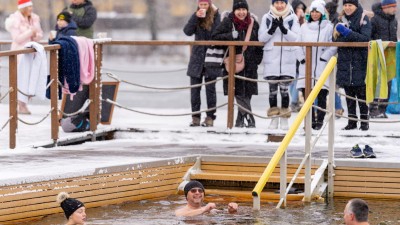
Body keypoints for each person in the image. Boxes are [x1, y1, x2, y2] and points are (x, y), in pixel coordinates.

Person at [212, 0, 263, 128]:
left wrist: (257, 59)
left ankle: (239, 120)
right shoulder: (228, 21)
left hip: (250, 64)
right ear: (234, 11)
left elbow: (259, 42)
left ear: (247, 10)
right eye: (238, 9)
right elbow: (215, 37)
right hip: (234, 63)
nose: (241, 12)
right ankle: (250, 119)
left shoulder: (253, 23)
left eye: (243, 9)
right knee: (238, 93)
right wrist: (231, 36)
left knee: (248, 93)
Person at [259, 0, 300, 130]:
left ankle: (284, 118)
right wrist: (271, 30)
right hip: (272, 59)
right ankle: (273, 118)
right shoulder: (267, 17)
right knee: (272, 92)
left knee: (284, 91)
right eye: (277, 2)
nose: (279, 5)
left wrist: (284, 29)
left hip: (287, 59)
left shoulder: (293, 18)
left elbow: (296, 38)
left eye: (282, 2)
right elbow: (261, 38)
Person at [296, 0, 337, 130]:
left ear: (322, 13)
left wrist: (323, 57)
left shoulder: (329, 27)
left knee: (321, 95)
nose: (314, 14)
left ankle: (319, 121)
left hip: (321, 65)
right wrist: (302, 58)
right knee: (306, 94)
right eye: (312, 11)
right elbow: (298, 44)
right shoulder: (303, 27)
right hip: (306, 65)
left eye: (317, 12)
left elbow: (333, 45)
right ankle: (308, 121)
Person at [334, 0, 371, 131]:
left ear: (356, 6)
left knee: (362, 95)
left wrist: (347, 33)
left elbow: (365, 38)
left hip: (359, 61)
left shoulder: (363, 18)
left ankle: (364, 122)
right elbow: (335, 39)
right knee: (349, 95)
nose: (347, 7)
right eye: (345, 5)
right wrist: (347, 35)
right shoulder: (339, 19)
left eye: (350, 5)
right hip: (345, 62)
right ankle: (352, 122)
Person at [183, 0, 221, 127]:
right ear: (198, 5)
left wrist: (216, 14)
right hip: (197, 58)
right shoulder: (196, 16)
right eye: (201, 4)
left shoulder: (216, 16)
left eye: (206, 4)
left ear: (210, 5)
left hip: (211, 57)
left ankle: (210, 117)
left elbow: (217, 34)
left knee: (210, 90)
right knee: (195, 90)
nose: (203, 7)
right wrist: (195, 17)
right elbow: (187, 31)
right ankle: (195, 117)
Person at [4, 0, 43, 114]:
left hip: (31, 53)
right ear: (23, 7)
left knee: (30, 79)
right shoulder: (14, 20)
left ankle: (23, 104)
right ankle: (19, 105)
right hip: (19, 54)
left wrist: (35, 35)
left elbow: (40, 34)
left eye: (32, 6)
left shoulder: (34, 18)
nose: (31, 8)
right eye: (29, 6)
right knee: (20, 79)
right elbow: (17, 38)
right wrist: (31, 32)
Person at [369, 0, 398, 119]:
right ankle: (373, 109)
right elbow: (370, 37)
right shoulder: (374, 20)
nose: (395, 9)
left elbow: (394, 38)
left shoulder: (394, 20)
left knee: (389, 82)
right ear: (385, 7)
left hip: (390, 56)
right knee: (377, 82)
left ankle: (383, 109)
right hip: (377, 54)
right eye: (393, 7)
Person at [325, 0, 345, 119]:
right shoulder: (337, 18)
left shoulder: (332, 20)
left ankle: (337, 108)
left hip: (332, 54)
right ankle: (338, 108)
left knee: (330, 84)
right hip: (335, 54)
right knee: (333, 85)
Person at [289, 0, 307, 113]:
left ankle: (294, 101)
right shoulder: (291, 20)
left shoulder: (305, 21)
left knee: (298, 77)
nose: (300, 11)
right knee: (293, 78)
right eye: (298, 9)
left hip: (302, 52)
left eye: (302, 9)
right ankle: (294, 101)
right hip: (292, 52)